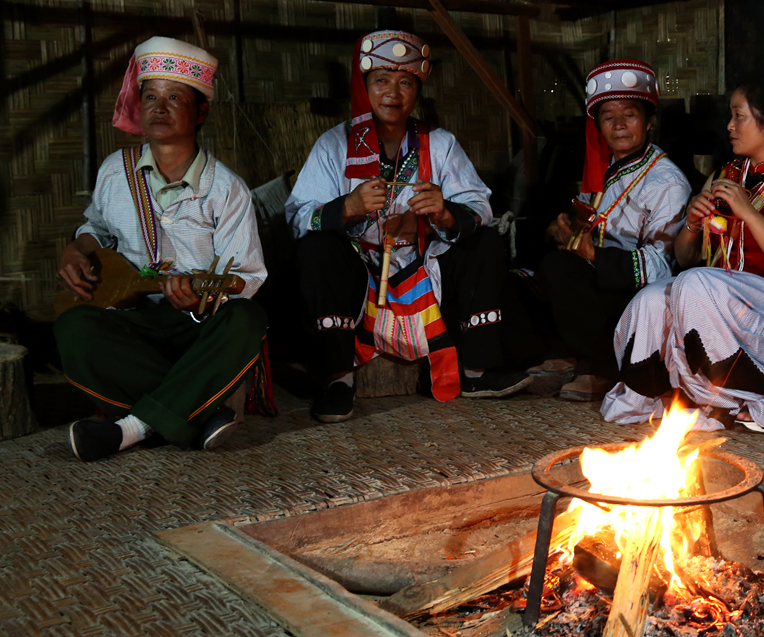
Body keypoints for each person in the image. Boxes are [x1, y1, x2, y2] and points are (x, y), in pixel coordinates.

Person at [286, 30, 528, 423]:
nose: (392, 93)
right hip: (360, 273)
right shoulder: (335, 144)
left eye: (405, 82)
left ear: (417, 91)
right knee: (316, 249)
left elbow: (479, 205)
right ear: (365, 87)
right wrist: (345, 207)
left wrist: (446, 214)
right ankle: (338, 382)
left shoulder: (440, 144)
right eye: (381, 80)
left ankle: (477, 372)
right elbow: (298, 217)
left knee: (484, 240)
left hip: (423, 270)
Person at [55, 37, 269, 462]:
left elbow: (247, 276)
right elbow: (95, 227)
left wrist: (198, 295)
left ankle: (130, 429)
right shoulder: (116, 171)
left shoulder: (226, 189)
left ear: (201, 111)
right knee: (74, 327)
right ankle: (195, 413)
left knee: (247, 319)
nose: (159, 107)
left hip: (196, 327)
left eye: (175, 97)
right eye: (150, 96)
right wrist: (75, 249)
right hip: (133, 321)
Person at [602, 81, 764, 432]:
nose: (729, 126)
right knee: (652, 297)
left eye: (739, 117)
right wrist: (693, 224)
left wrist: (750, 212)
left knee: (695, 283)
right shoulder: (726, 175)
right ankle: (650, 393)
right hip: (721, 302)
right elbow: (684, 257)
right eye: (730, 116)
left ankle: (754, 396)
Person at [509, 59, 690, 401]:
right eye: (608, 117)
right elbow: (584, 217)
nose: (619, 125)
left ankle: (602, 366)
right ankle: (568, 353)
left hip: (635, 295)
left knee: (560, 270)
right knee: (517, 281)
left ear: (649, 122)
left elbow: (663, 266)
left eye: (630, 115)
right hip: (592, 282)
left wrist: (592, 254)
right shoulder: (603, 167)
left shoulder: (666, 181)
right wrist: (562, 229)